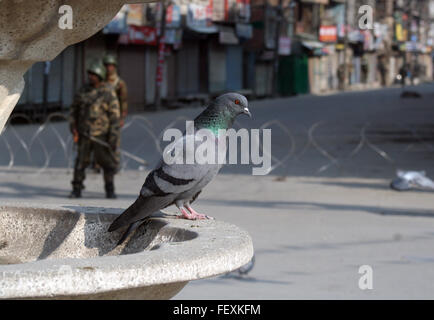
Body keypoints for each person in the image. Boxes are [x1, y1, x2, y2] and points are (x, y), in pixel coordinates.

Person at [69, 62, 121, 199]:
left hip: (101, 135)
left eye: (93, 75)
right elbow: (74, 110)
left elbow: (115, 116)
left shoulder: (108, 92)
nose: (90, 77)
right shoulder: (83, 91)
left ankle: (110, 189)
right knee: (80, 162)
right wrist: (73, 127)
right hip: (85, 133)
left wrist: (113, 137)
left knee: (107, 164)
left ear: (100, 76)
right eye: (89, 74)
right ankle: (76, 189)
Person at [103, 54, 128, 126]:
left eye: (110, 66)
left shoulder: (119, 83)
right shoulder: (101, 81)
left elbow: (123, 101)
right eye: (106, 65)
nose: (108, 68)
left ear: (114, 67)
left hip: (114, 116)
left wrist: (122, 118)